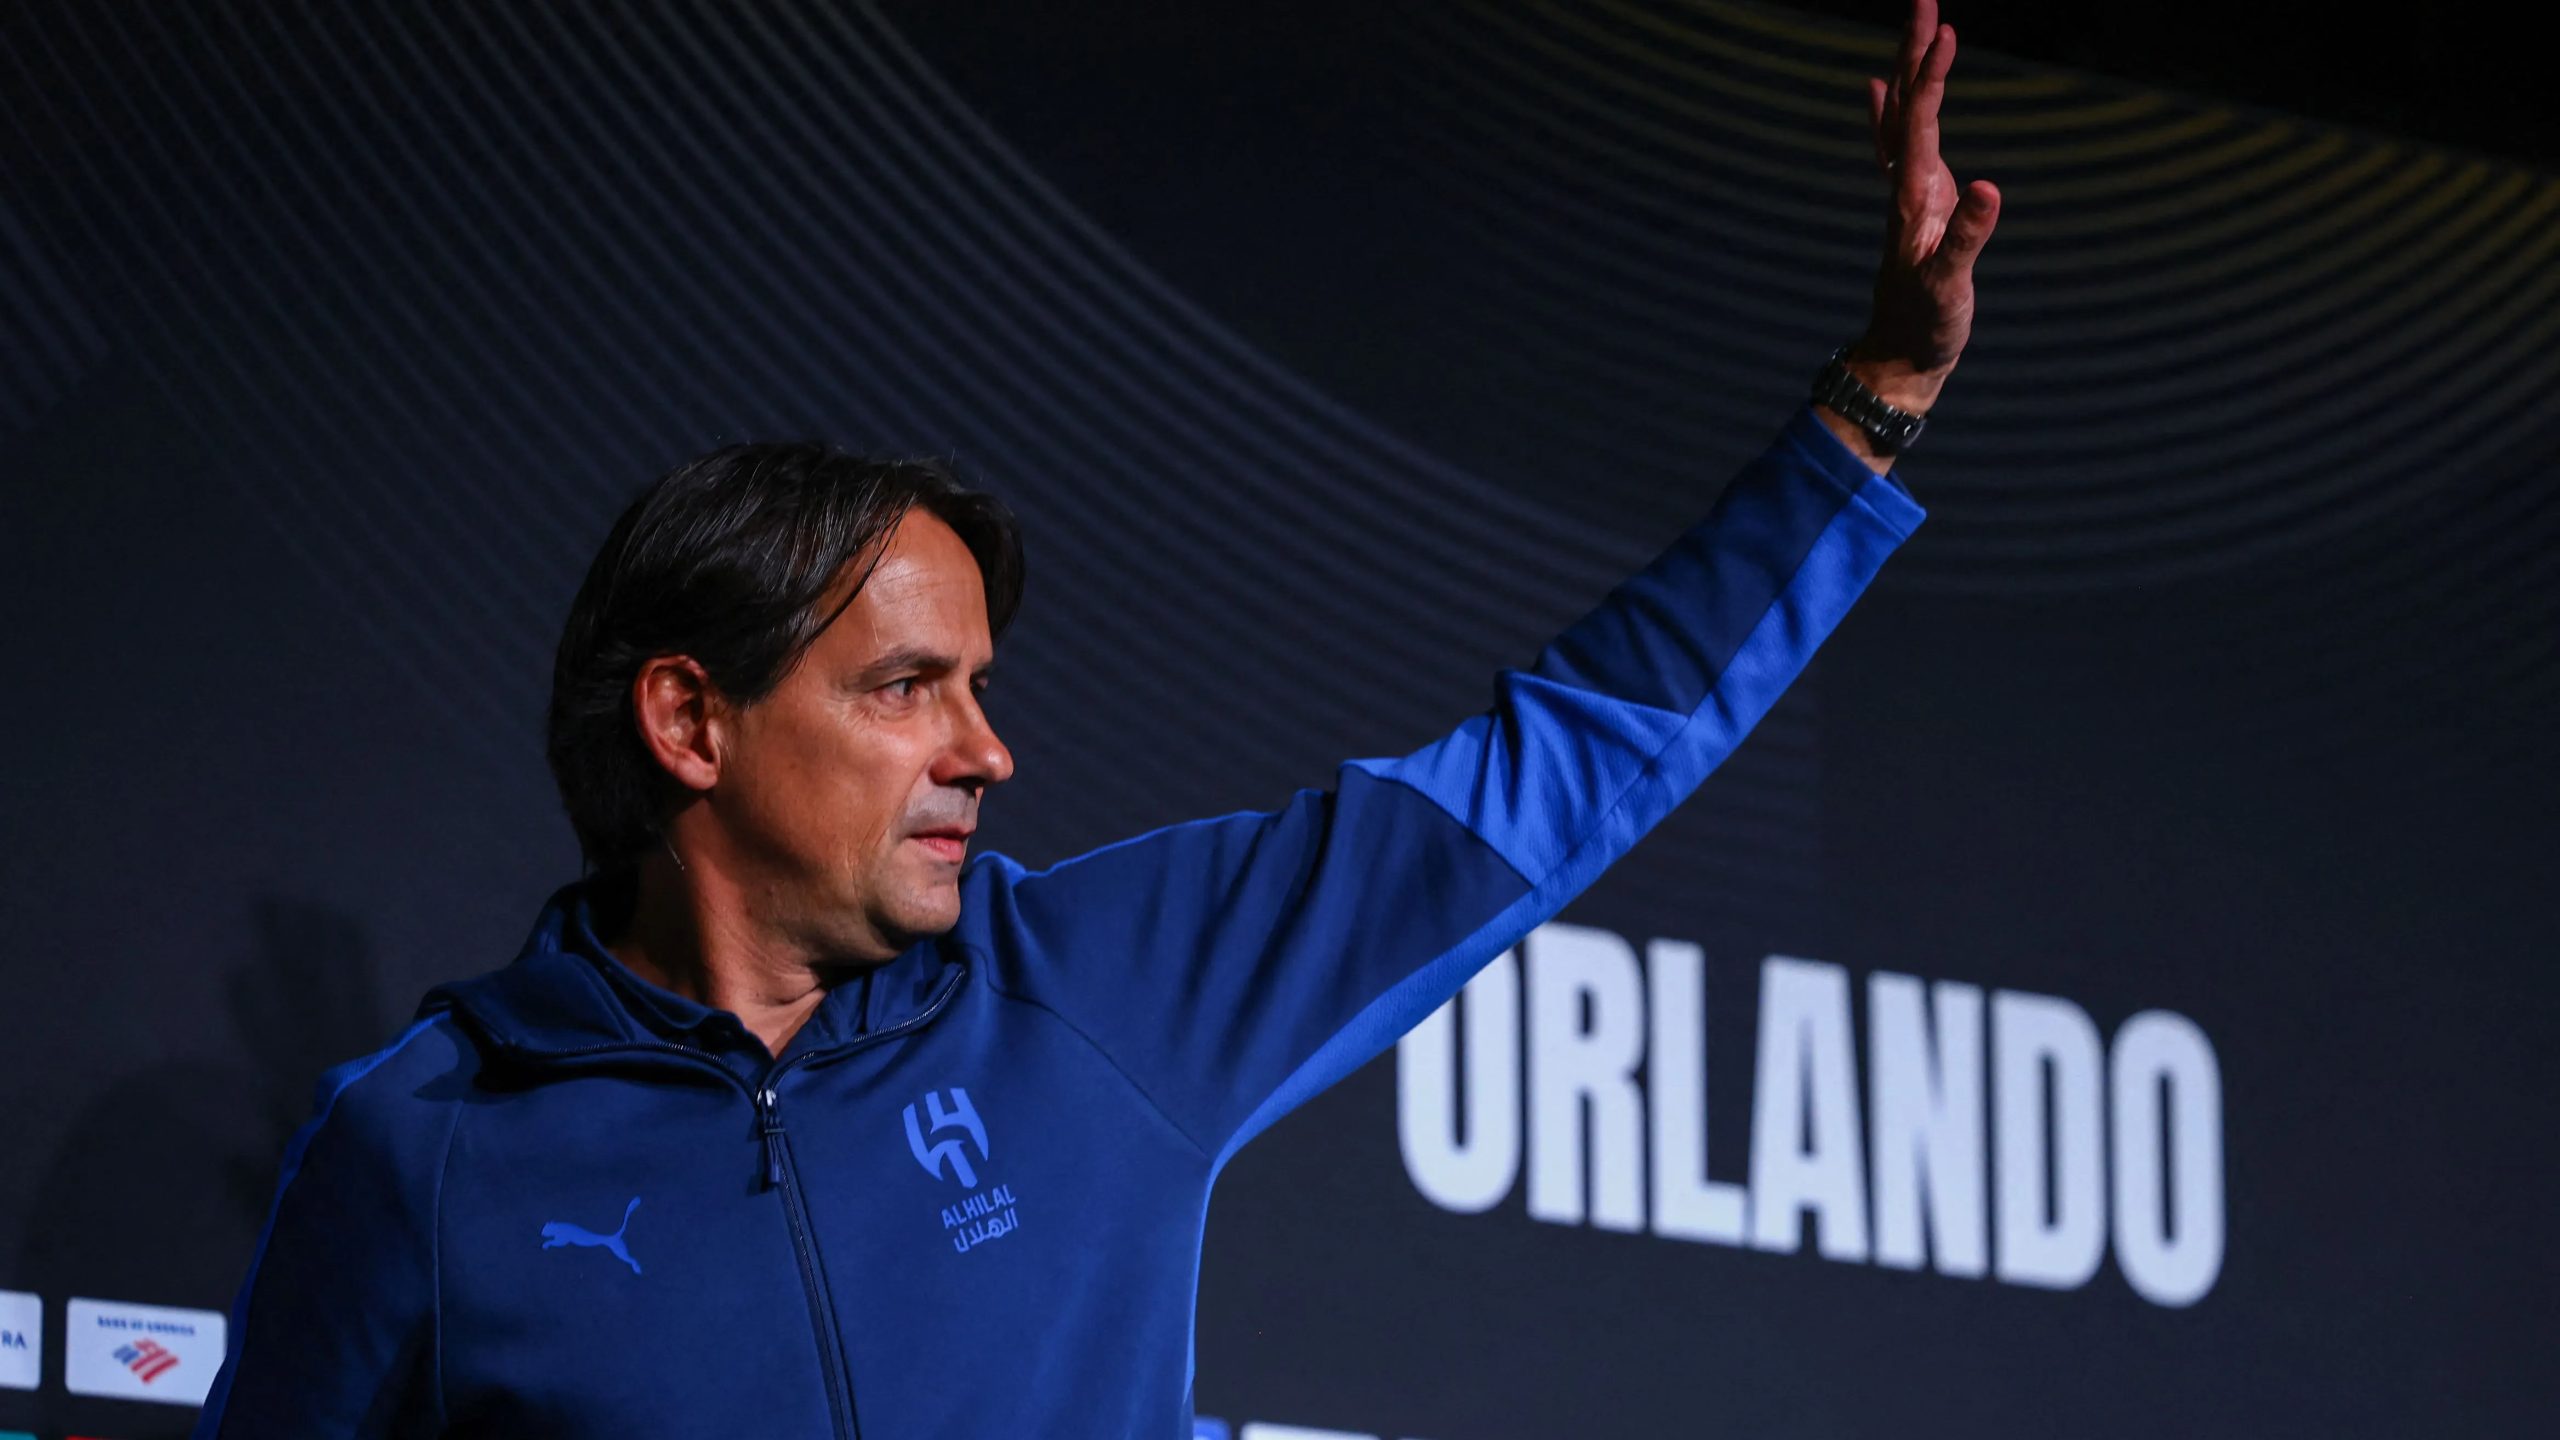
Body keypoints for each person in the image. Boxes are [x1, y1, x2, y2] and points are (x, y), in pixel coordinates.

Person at [193, 2, 1999, 1434]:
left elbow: (1547, 777)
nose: (985, 751)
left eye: (979, 688)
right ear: (691, 722)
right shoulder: (420, 1146)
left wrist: (1871, 407)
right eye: (907, 688)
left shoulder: (1097, 993)